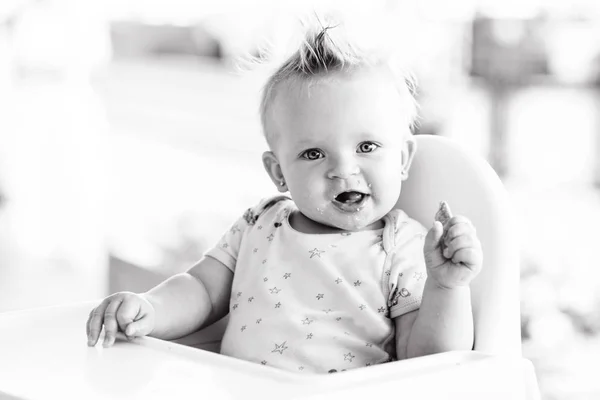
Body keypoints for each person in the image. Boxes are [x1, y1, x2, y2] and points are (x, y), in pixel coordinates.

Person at [86, 16, 483, 374]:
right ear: (278, 172)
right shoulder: (259, 223)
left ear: (402, 157)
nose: (343, 169)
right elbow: (201, 290)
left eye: (366, 147)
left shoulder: (402, 246)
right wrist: (151, 309)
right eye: (313, 153)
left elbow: (427, 360)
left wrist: (446, 287)